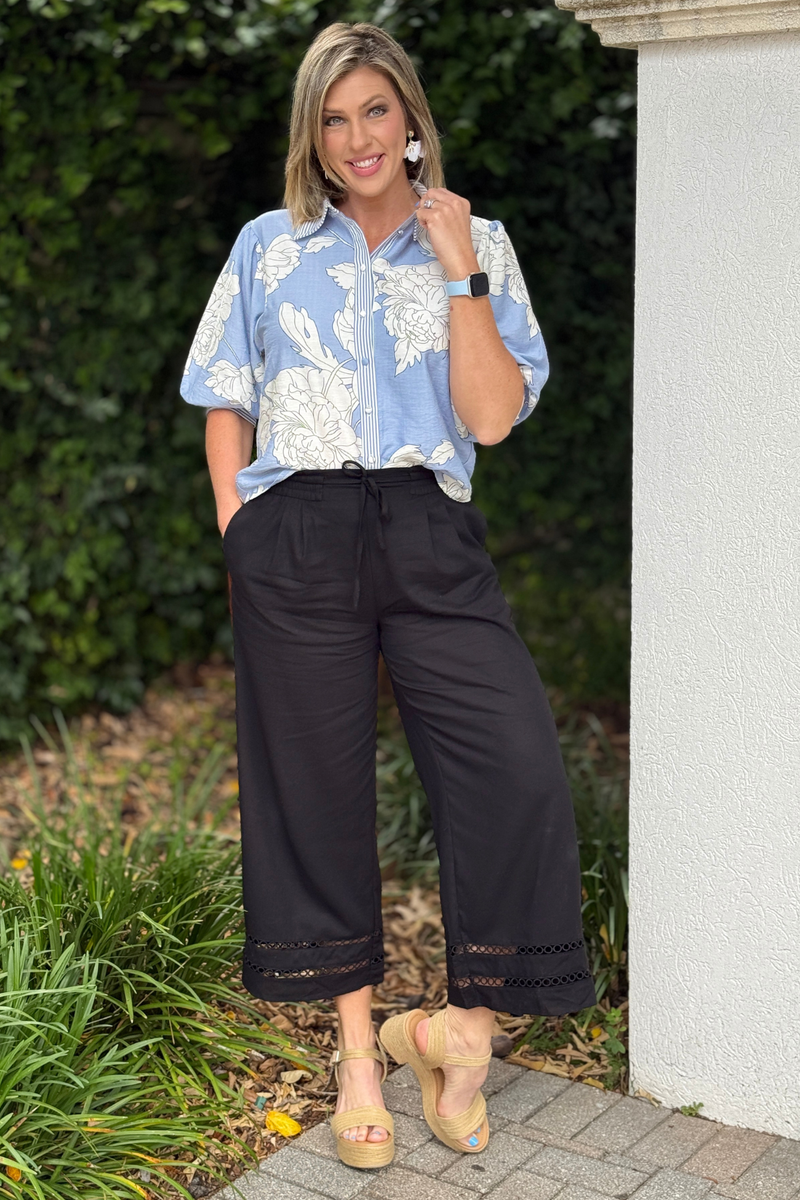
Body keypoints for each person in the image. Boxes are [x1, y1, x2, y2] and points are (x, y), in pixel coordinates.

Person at [181, 19, 597, 1171]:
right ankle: (359, 1058)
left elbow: (491, 418)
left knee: (516, 766)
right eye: (332, 116)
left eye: (374, 110)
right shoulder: (270, 247)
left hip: (427, 529)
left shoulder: (478, 244)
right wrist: (242, 528)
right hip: (296, 531)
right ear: (310, 136)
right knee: (313, 793)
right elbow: (226, 397)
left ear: (410, 118)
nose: (356, 136)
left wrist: (458, 265)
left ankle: (455, 1031)